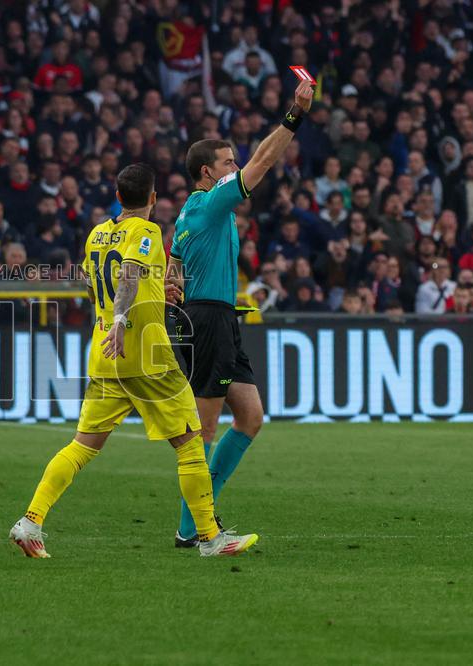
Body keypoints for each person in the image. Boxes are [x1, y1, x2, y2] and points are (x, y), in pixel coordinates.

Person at [9, 164, 258, 559]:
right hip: (146, 355)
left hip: (105, 357)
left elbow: (94, 287)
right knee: (191, 442)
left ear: (117, 194)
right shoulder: (145, 231)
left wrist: (148, 298)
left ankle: (31, 520)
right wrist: (125, 321)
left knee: (82, 445)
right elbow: (127, 274)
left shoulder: (97, 234)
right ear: (154, 198)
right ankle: (210, 537)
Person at [167, 79, 314, 548]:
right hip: (208, 320)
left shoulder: (191, 215)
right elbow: (265, 162)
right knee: (204, 427)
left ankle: (197, 522)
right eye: (228, 162)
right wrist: (295, 112)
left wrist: (176, 284)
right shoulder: (211, 205)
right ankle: (194, 530)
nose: (236, 167)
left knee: (250, 416)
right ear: (208, 172)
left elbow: (174, 266)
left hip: (217, 318)